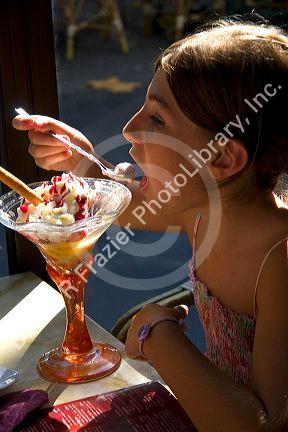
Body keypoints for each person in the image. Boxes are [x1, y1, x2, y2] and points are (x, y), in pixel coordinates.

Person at [13, 17, 288, 431]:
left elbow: (263, 424)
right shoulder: (204, 210)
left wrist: (161, 337)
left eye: (157, 121)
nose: (128, 129)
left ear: (223, 159)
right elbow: (126, 205)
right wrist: (81, 161)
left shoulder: (277, 263)